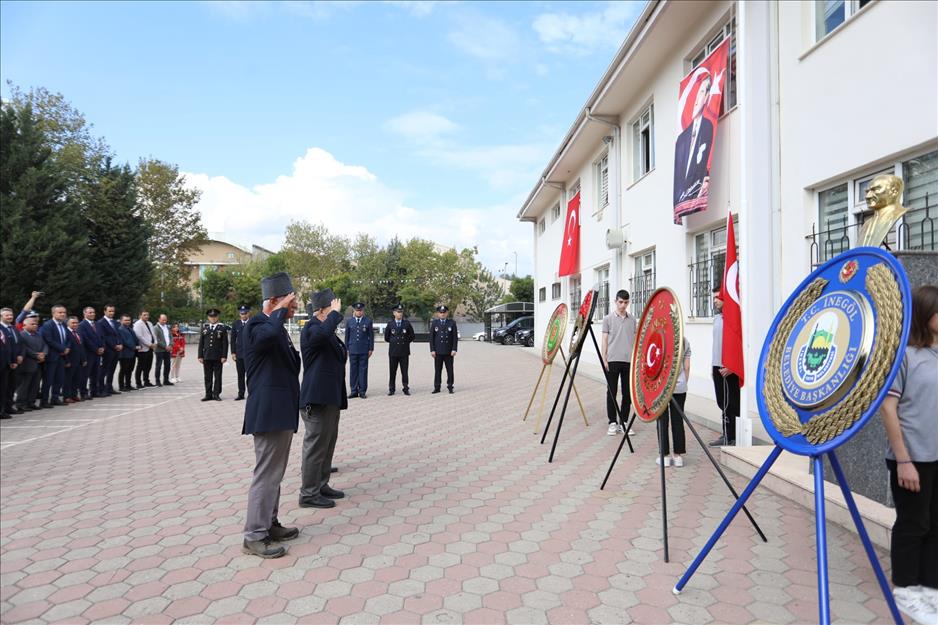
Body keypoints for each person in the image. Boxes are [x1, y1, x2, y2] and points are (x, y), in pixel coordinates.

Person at [881, 284, 938, 624]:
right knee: (913, 524)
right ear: (924, 312)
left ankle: (930, 587)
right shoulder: (904, 355)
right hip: (912, 457)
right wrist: (904, 460)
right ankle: (905, 590)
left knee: (935, 524)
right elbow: (889, 409)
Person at [241, 272, 301, 558]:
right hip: (268, 412)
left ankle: (270, 523)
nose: (295, 308)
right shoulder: (256, 325)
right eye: (291, 302)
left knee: (274, 474)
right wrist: (277, 312)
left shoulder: (277, 327)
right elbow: (265, 339)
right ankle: (254, 535)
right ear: (275, 302)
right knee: (265, 475)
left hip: (282, 411)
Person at [299, 289, 347, 509]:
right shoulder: (312, 328)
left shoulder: (328, 331)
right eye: (332, 307)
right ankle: (308, 493)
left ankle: (321, 484)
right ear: (320, 311)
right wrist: (335, 316)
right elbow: (320, 336)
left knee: (327, 443)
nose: (337, 309)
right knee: (315, 446)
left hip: (330, 397)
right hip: (316, 398)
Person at [673, 73, 714, 207]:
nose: (696, 100)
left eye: (701, 93)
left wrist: (705, 179)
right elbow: (678, 178)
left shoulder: (708, 127)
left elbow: (702, 161)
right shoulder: (681, 139)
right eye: (695, 95)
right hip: (683, 199)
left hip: (698, 194)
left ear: (707, 97)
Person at [601, 290, 637, 436]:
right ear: (615, 301)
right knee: (612, 392)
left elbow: (634, 340)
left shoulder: (633, 319)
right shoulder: (608, 319)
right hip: (612, 359)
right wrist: (604, 358)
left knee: (627, 393)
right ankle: (612, 422)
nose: (623, 305)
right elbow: (604, 339)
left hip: (628, 360)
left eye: (626, 302)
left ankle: (624, 421)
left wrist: (635, 359)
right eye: (621, 302)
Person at [710, 284, 739, 446]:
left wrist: (732, 366)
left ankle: (731, 436)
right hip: (716, 366)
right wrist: (712, 366)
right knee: (722, 402)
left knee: (731, 402)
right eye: (713, 297)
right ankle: (726, 433)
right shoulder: (717, 318)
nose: (715, 301)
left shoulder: (733, 319)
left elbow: (737, 344)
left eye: (717, 298)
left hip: (728, 367)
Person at [658, 338, 691, 467]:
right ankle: (678, 456)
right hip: (680, 386)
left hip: (662, 387)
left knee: (662, 420)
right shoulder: (683, 340)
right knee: (678, 420)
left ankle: (664, 456)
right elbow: (687, 366)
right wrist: (683, 382)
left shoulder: (660, 337)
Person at [39, 305, 70, 407]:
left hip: (62, 357)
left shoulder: (64, 325)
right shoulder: (48, 325)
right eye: (60, 312)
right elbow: (49, 340)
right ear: (53, 313)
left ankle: (55, 398)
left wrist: (67, 348)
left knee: (59, 379)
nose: (62, 314)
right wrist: (62, 349)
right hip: (51, 357)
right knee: (48, 380)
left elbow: (68, 338)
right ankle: (44, 401)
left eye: (64, 312)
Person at [15, 313, 46, 412]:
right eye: (32, 324)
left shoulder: (38, 335)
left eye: (36, 324)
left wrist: (44, 354)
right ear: (25, 325)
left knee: (35, 385)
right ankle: (21, 404)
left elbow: (45, 345)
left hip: (38, 364)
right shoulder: (21, 335)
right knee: (24, 386)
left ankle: (31, 402)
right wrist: (36, 355)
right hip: (27, 364)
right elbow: (25, 349)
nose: (35, 325)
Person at [198, 309, 228, 401]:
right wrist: (200, 356)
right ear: (208, 318)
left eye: (215, 317)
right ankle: (208, 394)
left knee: (218, 376)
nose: (213, 318)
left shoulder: (222, 329)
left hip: (218, 356)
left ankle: (216, 394)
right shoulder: (205, 328)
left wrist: (224, 356)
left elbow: (225, 343)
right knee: (207, 376)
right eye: (211, 317)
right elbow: (201, 343)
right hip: (206, 356)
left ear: (217, 317)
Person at [384, 304, 414, 396]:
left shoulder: (407, 323)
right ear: (394, 313)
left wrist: (405, 342)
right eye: (398, 312)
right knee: (392, 371)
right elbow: (386, 337)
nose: (400, 314)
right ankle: (391, 389)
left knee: (404, 371)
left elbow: (412, 336)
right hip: (393, 352)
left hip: (404, 351)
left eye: (401, 312)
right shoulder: (390, 324)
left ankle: (405, 388)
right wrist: (394, 342)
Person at [345, 302, 373, 399]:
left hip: (363, 350)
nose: (359, 312)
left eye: (360, 310)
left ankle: (362, 391)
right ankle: (353, 391)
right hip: (352, 349)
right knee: (353, 371)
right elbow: (347, 337)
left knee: (363, 370)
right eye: (357, 310)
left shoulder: (368, 321)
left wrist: (371, 349)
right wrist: (346, 349)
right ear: (354, 311)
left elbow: (371, 336)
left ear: (363, 311)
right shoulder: (349, 322)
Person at [429, 305, 458, 394]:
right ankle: (437, 387)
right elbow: (431, 338)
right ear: (438, 314)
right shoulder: (434, 323)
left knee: (450, 370)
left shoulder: (452, 323)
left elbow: (454, 337)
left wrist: (454, 349)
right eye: (440, 312)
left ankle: (450, 386)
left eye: (444, 312)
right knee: (437, 370)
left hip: (449, 351)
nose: (442, 314)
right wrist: (432, 350)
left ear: (447, 313)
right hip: (438, 351)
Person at [1, 307, 24, 416]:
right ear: (1, 317)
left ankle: (9, 406)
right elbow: (4, 348)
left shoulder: (14, 328)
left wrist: (20, 355)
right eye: (7, 315)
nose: (10, 317)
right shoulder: (1, 329)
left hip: (15, 363)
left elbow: (20, 344)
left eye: (11, 315)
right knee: (3, 387)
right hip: (5, 363)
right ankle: (2, 410)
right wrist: (11, 361)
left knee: (11, 386)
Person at [96, 304, 123, 396]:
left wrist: (120, 344)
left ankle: (109, 387)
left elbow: (118, 335)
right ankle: (101, 388)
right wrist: (114, 345)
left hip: (116, 351)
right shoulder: (100, 323)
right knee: (104, 370)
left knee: (112, 370)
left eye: (113, 311)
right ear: (105, 311)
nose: (112, 313)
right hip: (107, 350)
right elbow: (103, 337)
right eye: (110, 311)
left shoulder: (115, 322)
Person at [78, 307, 103, 400]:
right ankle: (83, 392)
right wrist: (96, 349)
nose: (92, 314)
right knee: (85, 374)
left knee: (96, 373)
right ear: (84, 313)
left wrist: (102, 347)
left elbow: (101, 337)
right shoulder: (81, 325)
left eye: (93, 312)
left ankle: (94, 391)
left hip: (98, 353)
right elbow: (85, 340)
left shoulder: (97, 324)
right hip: (88, 353)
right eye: (90, 312)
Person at [62, 316, 86, 403]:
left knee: (77, 379)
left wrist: (84, 359)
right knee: (68, 380)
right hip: (70, 361)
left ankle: (74, 395)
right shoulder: (66, 333)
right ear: (67, 323)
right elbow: (66, 348)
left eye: (76, 322)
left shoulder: (78, 333)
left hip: (79, 361)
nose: (75, 324)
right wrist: (66, 361)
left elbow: (81, 347)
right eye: (73, 323)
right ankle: (66, 396)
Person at [231, 305, 251, 400]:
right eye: (241, 314)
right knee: (240, 375)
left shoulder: (252, 323)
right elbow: (233, 339)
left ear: (248, 313)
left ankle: (252, 393)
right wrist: (233, 353)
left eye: (245, 313)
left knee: (250, 375)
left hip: (250, 354)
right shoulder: (236, 324)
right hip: (239, 354)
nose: (243, 315)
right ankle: (241, 393)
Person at [133, 311, 157, 388]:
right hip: (143, 348)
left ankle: (146, 381)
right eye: (144, 315)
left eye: (147, 315)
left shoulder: (149, 323)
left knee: (148, 366)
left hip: (151, 348)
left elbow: (153, 334)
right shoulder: (138, 324)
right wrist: (149, 344)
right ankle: (138, 383)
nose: (146, 316)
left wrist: (155, 343)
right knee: (140, 366)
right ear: (140, 316)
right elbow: (139, 336)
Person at [117, 314, 140, 392]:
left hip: (132, 353)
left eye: (129, 320)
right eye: (125, 320)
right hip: (124, 354)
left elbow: (135, 339)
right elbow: (125, 341)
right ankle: (121, 386)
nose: (127, 321)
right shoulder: (120, 329)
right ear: (121, 321)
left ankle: (128, 384)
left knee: (130, 370)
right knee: (123, 370)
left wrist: (138, 345)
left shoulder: (130, 329)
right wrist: (134, 347)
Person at [153, 313, 173, 386]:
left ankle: (166, 380)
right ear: (159, 319)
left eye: (165, 320)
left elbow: (170, 336)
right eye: (163, 320)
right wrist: (165, 346)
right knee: (159, 365)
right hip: (159, 350)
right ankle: (157, 381)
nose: (164, 321)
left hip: (168, 350)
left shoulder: (167, 327)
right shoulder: (156, 328)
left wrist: (170, 345)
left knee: (167, 365)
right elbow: (157, 339)